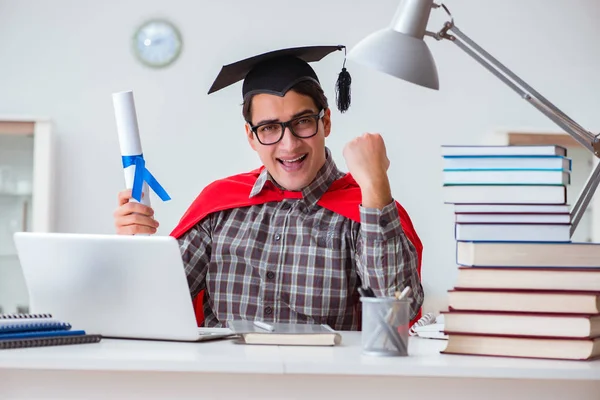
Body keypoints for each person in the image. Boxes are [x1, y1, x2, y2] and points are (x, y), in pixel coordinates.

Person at [113, 45, 424, 330]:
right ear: (251, 136)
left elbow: (397, 309)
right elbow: (150, 305)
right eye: (270, 128)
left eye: (302, 122)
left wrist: (375, 186)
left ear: (326, 122)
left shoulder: (365, 208)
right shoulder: (220, 209)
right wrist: (134, 247)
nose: (288, 145)